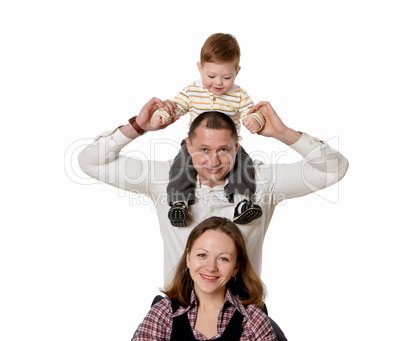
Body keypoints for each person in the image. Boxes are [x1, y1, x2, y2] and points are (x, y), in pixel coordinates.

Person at [78, 97, 348, 287]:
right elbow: (89, 162)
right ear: (188, 144)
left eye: (223, 150)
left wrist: (283, 133)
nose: (214, 162)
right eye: (203, 150)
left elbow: (333, 169)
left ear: (237, 146)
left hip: (245, 313)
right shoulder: (161, 178)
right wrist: (137, 127)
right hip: (178, 312)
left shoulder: (265, 181)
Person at [151, 33, 266, 227]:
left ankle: (241, 202)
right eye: (211, 76)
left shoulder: (239, 95)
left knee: (243, 166)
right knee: (181, 166)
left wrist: (255, 119)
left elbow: (253, 112)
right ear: (200, 68)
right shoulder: (192, 91)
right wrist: (162, 115)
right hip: (197, 145)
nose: (218, 83)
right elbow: (176, 106)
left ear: (237, 72)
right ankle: (179, 203)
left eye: (226, 77)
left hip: (229, 147)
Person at [132, 216, 278, 340]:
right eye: (202, 255)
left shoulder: (253, 320)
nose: (211, 267)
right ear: (188, 259)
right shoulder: (163, 313)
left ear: (235, 268)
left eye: (223, 259)